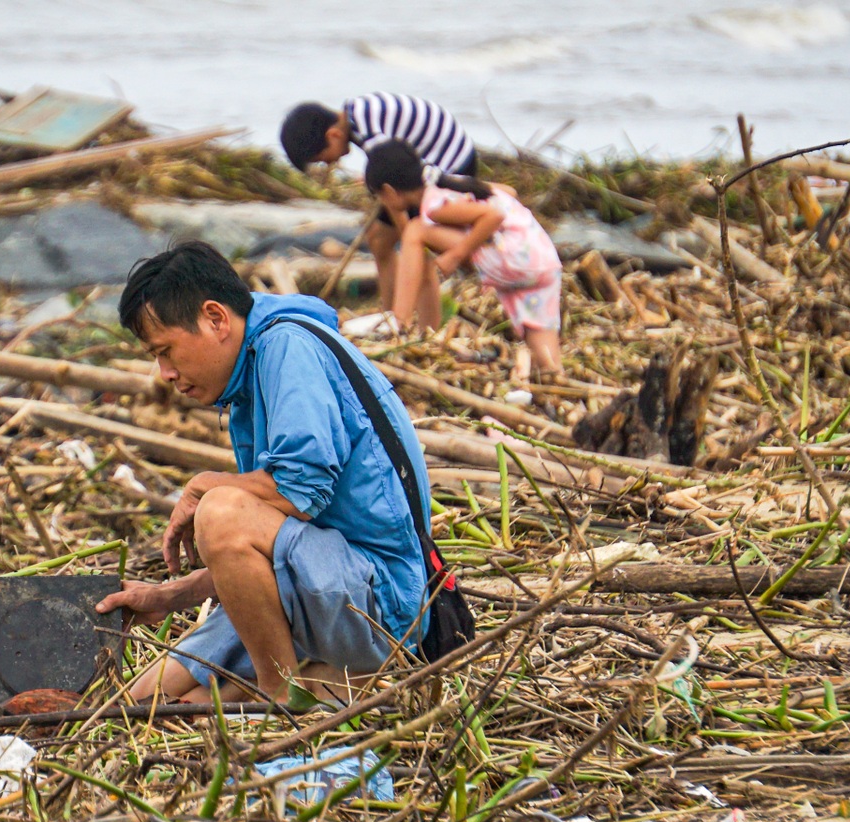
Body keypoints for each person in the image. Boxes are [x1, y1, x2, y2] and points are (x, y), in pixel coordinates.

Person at [94, 241, 436, 704]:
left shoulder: (285, 348)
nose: (166, 373)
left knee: (220, 509)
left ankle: (282, 699)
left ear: (216, 319)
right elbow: (268, 548)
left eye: (167, 351)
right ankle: (303, 683)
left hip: (382, 605)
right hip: (327, 582)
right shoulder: (251, 370)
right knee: (146, 701)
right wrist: (167, 597)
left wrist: (204, 486)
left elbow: (298, 493)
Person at [364, 139, 563, 379]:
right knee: (543, 347)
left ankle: (400, 324)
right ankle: (556, 382)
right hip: (543, 261)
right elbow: (509, 193)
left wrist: (454, 255)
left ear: (389, 191)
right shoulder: (453, 184)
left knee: (415, 231)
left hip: (514, 259)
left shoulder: (435, 203)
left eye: (381, 198)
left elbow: (494, 215)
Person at [281, 93, 477, 322]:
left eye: (323, 158)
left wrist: (411, 236)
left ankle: (426, 327)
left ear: (333, 135)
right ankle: (389, 314)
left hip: (447, 167)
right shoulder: (355, 114)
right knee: (379, 238)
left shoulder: (370, 133)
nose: (329, 164)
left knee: (416, 251)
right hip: (416, 167)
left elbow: (392, 188)